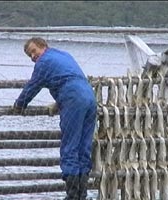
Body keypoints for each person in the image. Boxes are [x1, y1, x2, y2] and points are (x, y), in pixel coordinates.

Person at [13, 37, 97, 200]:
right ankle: (82, 194)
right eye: (29, 55)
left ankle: (72, 194)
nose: (32, 57)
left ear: (43, 46)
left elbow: (33, 85)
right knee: (84, 147)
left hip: (73, 98)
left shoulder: (43, 62)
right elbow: (68, 77)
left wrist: (19, 105)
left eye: (33, 51)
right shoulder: (63, 55)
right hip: (89, 97)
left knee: (70, 146)